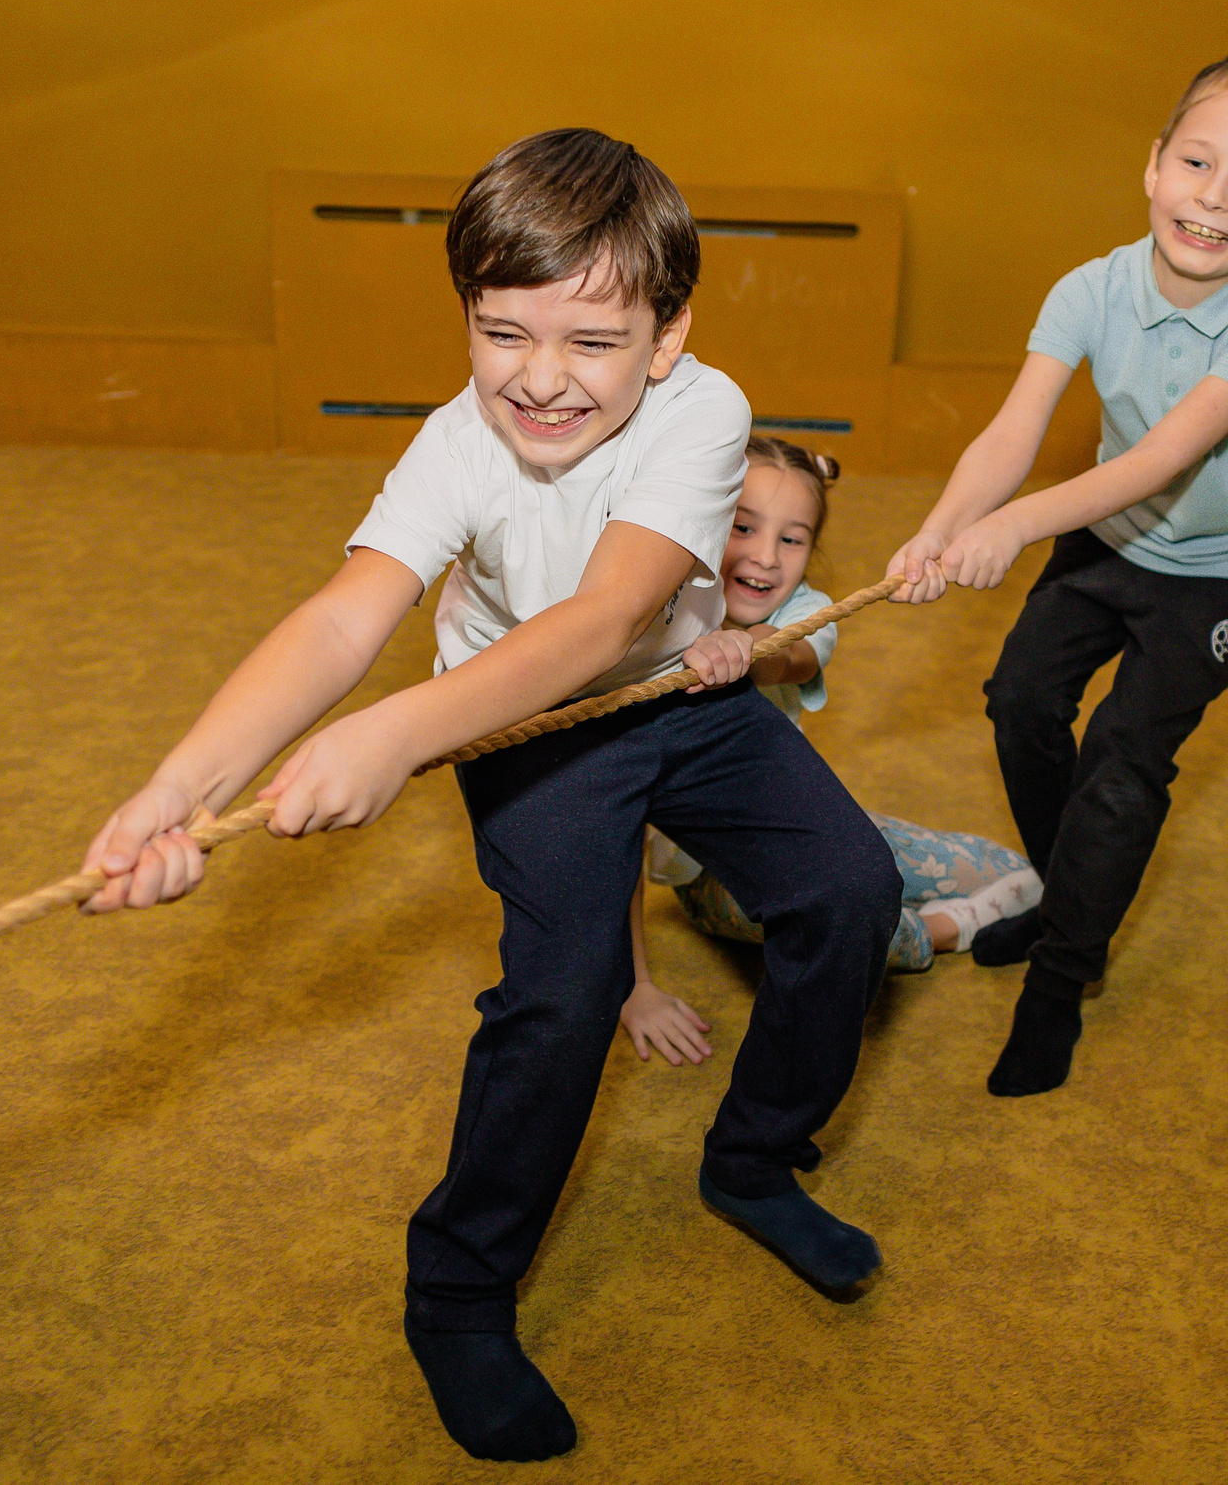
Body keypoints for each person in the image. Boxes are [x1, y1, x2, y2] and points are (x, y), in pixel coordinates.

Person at [80, 129, 901, 1464]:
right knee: (562, 998)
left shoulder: (706, 411)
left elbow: (610, 613)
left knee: (853, 889)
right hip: (527, 731)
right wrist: (183, 782)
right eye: (502, 331)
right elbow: (345, 616)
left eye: (590, 340)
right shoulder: (457, 444)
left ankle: (753, 1159)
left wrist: (396, 733)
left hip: (677, 692)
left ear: (669, 333)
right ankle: (457, 1291)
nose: (540, 378)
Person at [888, 52, 1228, 1098]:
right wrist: (939, 527)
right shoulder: (1089, 287)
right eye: (1195, 162)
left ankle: (1060, 980)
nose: (1213, 199)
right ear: (1152, 165)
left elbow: (1160, 459)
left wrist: (1019, 525)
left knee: (1124, 764)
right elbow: (1011, 431)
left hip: (1216, 569)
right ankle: (1064, 890)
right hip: (1110, 537)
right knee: (1020, 701)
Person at [619, 436, 1041, 1066]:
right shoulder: (654, 616)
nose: (765, 557)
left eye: (792, 539)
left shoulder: (809, 612)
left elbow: (787, 652)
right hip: (714, 877)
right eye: (742, 527)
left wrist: (748, 645)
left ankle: (909, 895)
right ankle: (939, 932)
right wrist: (635, 988)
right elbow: (613, 836)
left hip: (802, 829)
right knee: (844, 926)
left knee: (1020, 876)